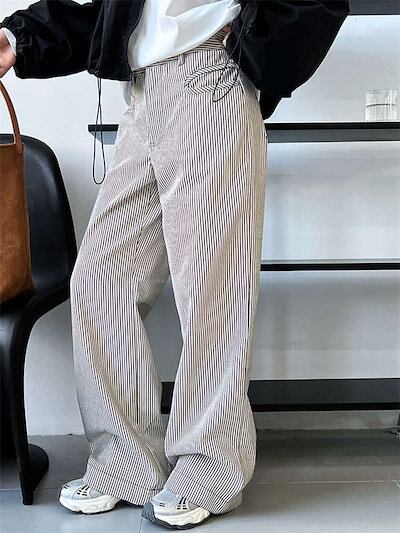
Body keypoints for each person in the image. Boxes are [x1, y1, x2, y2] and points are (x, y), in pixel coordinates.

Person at [0, 1, 349, 529]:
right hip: (143, 97)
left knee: (212, 289)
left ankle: (212, 464)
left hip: (211, 81)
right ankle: (125, 461)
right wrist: (19, 38)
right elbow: (111, 13)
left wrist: (256, 52)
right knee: (100, 279)